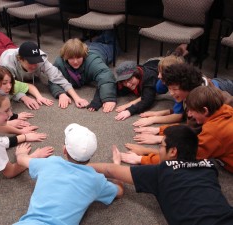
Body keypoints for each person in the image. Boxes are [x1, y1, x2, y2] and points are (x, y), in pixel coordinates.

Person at [90, 125, 233, 225]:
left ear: (173, 152)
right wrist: (146, 151)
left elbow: (110, 171)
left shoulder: (161, 172)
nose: (159, 149)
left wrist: (74, 166)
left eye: (161, 146)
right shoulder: (209, 167)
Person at [13, 123, 123, 225]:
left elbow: (21, 159)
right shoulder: (96, 180)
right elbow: (119, 191)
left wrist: (21, 153)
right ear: (92, 155)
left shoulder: (50, 163)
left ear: (64, 150)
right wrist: (117, 164)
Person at [121, 86, 233, 173]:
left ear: (205, 110)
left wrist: (142, 158)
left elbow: (183, 158)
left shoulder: (214, 131)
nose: (189, 115)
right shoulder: (224, 109)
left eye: (192, 111)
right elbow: (193, 131)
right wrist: (160, 131)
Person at [0, 23, 88, 109]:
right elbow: (9, 87)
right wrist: (23, 97)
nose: (34, 65)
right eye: (30, 62)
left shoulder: (39, 58)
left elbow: (57, 77)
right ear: (20, 59)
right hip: (2, 55)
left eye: (35, 61)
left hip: (17, 49)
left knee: (9, 43)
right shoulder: (7, 65)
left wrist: (77, 98)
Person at [132, 63, 233, 144]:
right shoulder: (189, 92)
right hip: (216, 83)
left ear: (188, 87)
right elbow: (184, 113)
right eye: (169, 89)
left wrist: (162, 137)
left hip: (225, 87)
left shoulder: (206, 101)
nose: (171, 93)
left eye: (174, 89)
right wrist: (160, 118)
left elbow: (195, 131)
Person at [50, 34, 119, 112]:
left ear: (83, 55)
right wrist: (61, 94)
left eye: (79, 57)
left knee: (114, 46)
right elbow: (52, 79)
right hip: (87, 46)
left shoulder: (92, 60)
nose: (75, 61)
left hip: (100, 50)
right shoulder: (59, 62)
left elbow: (106, 75)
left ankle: (107, 33)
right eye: (71, 58)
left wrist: (108, 98)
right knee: (97, 39)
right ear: (65, 57)